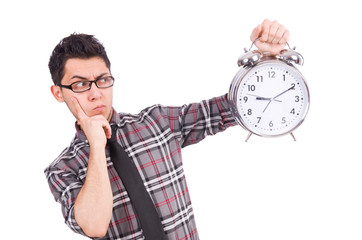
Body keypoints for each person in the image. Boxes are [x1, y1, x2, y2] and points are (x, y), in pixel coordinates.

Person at [44, 19, 289, 240]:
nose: (96, 93)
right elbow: (94, 226)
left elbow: (231, 107)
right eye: (80, 84)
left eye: (103, 80)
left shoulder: (157, 122)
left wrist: (265, 61)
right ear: (58, 93)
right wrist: (96, 144)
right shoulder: (62, 169)